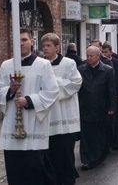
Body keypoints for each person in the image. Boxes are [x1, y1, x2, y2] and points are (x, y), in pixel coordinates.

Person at [0, 29, 59, 185]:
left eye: (24, 40)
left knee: (35, 167)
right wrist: (10, 90)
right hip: (12, 124)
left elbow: (52, 91)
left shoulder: (43, 65)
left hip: (34, 122)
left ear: (32, 41)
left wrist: (29, 100)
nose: (21, 43)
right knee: (14, 168)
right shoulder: (6, 65)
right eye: (18, 40)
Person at [41, 33, 82, 185]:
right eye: (43, 46)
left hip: (64, 114)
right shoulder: (40, 65)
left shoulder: (68, 63)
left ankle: (68, 179)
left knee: (65, 151)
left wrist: (54, 84)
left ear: (57, 47)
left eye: (48, 46)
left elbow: (76, 82)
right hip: (48, 114)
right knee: (50, 152)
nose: (45, 49)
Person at [78, 46, 116, 170]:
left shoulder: (108, 70)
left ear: (98, 56)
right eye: (87, 56)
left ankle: (97, 157)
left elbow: (111, 90)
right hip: (85, 107)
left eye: (91, 56)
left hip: (101, 107)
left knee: (99, 134)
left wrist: (112, 106)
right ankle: (86, 159)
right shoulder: (81, 70)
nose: (88, 58)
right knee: (85, 135)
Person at [101, 43, 118, 148]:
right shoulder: (101, 64)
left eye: (106, 52)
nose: (104, 54)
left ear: (111, 52)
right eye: (102, 52)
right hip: (107, 97)